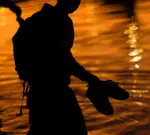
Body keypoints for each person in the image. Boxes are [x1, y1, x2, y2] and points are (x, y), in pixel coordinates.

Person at [8, 0, 129, 134]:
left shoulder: (36, 19)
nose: (77, 3)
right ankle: (97, 89)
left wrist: (24, 72)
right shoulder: (60, 22)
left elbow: (17, 40)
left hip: (37, 93)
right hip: (56, 94)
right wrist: (91, 79)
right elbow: (64, 59)